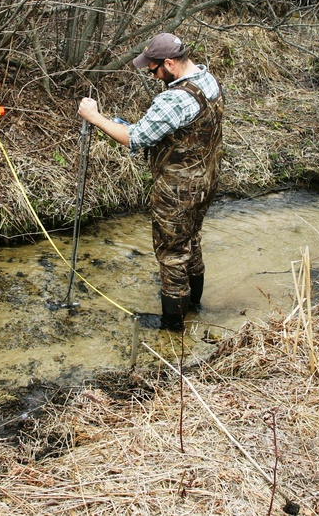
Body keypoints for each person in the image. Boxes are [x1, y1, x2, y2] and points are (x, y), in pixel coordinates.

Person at [78, 33, 223, 331]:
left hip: (177, 191)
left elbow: (134, 139)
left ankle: (172, 325)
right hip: (206, 182)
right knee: (191, 242)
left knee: (171, 254)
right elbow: (176, 130)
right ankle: (194, 307)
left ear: (169, 63)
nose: (152, 74)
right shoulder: (208, 81)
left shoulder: (173, 98)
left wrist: (95, 118)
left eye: (153, 69)